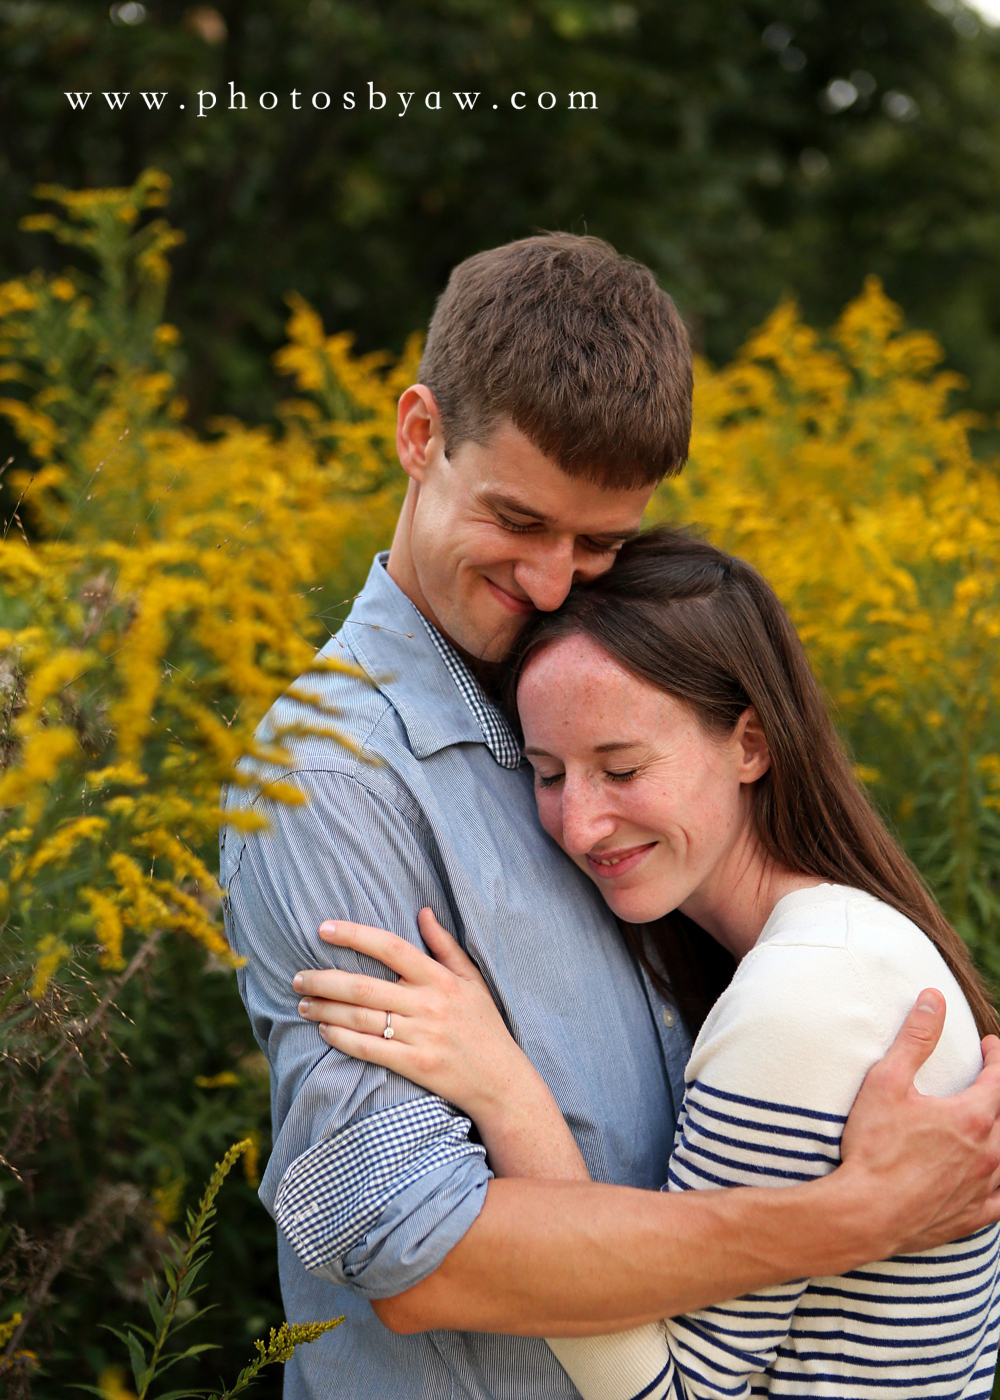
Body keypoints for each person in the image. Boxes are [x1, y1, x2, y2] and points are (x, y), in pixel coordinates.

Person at [221, 235, 1000, 1400]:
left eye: (598, 541)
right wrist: (854, 1216)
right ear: (419, 433)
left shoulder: (607, 684)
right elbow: (412, 1248)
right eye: (517, 520)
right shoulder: (332, 776)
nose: (549, 580)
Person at [295, 528, 1000, 1398]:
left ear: (750, 744)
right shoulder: (840, 945)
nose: (581, 825)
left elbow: (670, 1394)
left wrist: (503, 1086)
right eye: (549, 775)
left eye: (622, 768)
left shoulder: (803, 997)